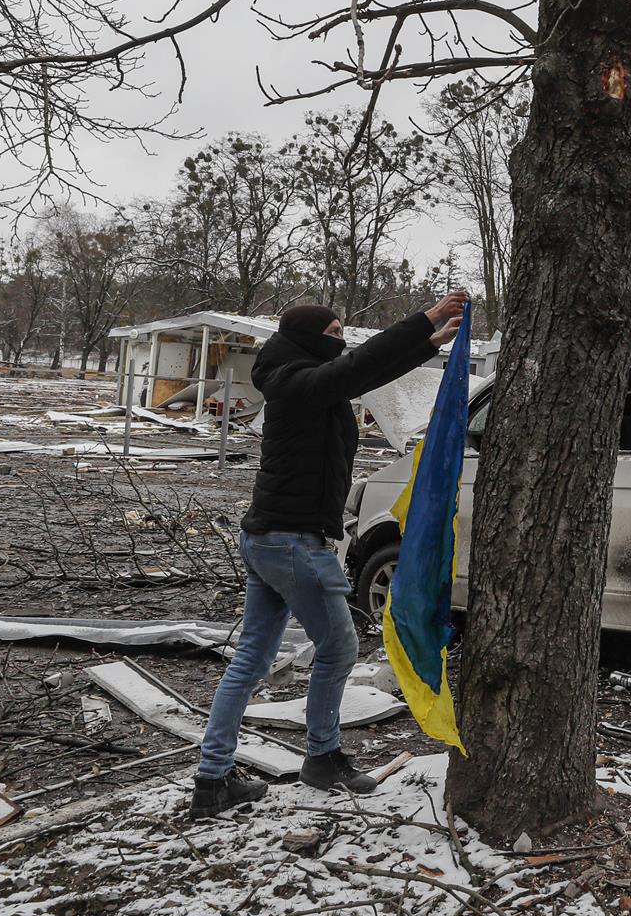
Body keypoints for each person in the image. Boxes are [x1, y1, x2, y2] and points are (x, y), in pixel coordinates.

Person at [191, 291, 467, 818]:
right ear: (307, 338)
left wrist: (421, 344)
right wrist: (421, 323)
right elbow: (352, 371)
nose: (341, 342)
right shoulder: (295, 383)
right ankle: (321, 757)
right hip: (291, 542)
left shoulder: (297, 378)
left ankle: (213, 779)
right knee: (339, 648)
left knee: (251, 658)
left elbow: (358, 373)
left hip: (272, 539)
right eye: (335, 333)